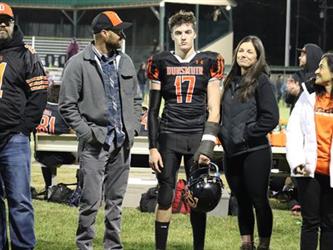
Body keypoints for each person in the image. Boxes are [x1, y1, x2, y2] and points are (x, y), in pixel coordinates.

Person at [58, 10, 141, 250]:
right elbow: (67, 105)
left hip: (122, 143)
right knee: (90, 202)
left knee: (115, 202)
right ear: (104, 33)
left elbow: (136, 99)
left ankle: (113, 246)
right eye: (118, 30)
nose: (123, 35)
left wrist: (133, 128)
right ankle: (84, 245)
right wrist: (87, 134)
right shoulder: (77, 63)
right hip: (95, 143)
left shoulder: (124, 61)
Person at [147, 10, 224, 250]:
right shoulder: (160, 62)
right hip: (169, 136)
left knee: (198, 198)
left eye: (187, 32)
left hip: (196, 136)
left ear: (195, 34)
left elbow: (214, 108)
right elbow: (153, 110)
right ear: (171, 35)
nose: (183, 37)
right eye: (178, 33)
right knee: (165, 197)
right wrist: (152, 147)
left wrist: (207, 145)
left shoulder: (209, 61)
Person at [218, 35, 279, 250]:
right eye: (241, 51)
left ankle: (264, 243)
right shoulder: (229, 80)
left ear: (257, 57)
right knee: (240, 200)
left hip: (255, 151)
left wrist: (247, 132)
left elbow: (271, 117)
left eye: (249, 52)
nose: (243, 55)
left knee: (258, 200)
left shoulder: (261, 81)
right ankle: (246, 243)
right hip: (231, 152)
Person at [0, 2, 48, 249]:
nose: (1, 25)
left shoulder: (26, 54)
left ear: (12, 23)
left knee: (19, 200)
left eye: (5, 21)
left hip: (13, 140)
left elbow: (39, 95)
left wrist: (23, 129)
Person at [286, 52, 333, 250]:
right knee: (310, 223)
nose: (316, 71)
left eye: (321, 67)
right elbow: (293, 131)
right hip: (308, 172)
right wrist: (297, 165)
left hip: (331, 175)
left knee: (330, 225)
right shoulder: (308, 96)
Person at [35, 84, 76, 198]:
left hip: (40, 155)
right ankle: (79, 188)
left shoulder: (39, 110)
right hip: (62, 156)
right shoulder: (65, 113)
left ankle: (48, 186)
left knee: (47, 154)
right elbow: (73, 135)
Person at [284, 43, 323, 112]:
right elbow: (288, 100)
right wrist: (291, 92)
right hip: (297, 118)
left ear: (311, 56)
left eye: (303, 55)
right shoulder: (298, 75)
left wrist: (299, 92)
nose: (299, 57)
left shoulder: (320, 78)